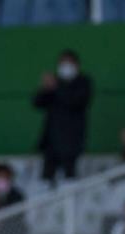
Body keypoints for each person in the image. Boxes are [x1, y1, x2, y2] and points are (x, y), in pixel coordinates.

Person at [33, 49, 93, 182]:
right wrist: (44, 88)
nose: (65, 67)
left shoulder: (83, 82)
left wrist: (56, 87)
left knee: (70, 179)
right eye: (62, 63)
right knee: (46, 179)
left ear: (76, 65)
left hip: (72, 142)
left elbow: (76, 102)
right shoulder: (54, 82)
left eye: (68, 63)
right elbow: (37, 103)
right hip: (51, 142)